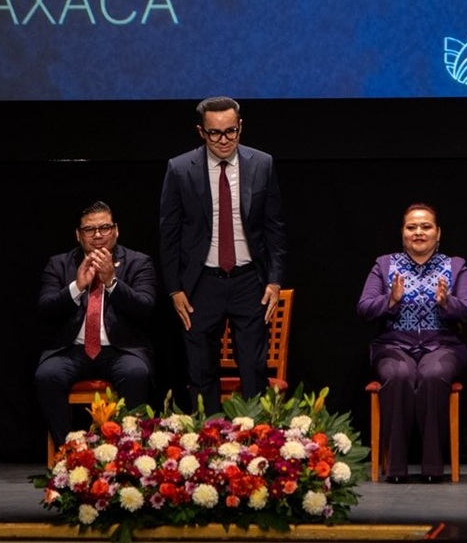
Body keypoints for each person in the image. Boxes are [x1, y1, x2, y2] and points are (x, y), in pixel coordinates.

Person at [158, 95, 286, 409]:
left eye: (231, 131)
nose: (224, 139)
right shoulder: (179, 169)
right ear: (201, 132)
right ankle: (209, 442)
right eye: (215, 133)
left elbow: (275, 229)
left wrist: (274, 281)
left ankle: (255, 444)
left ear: (240, 127)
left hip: (249, 281)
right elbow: (169, 234)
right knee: (201, 368)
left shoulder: (262, 164)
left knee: (253, 369)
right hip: (201, 282)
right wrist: (174, 288)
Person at [356, 203, 467, 484]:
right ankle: (396, 468)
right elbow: (363, 308)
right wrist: (391, 300)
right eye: (412, 227)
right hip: (393, 345)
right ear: (403, 233)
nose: (419, 232)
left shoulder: (455, 266)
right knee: (398, 375)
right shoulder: (384, 264)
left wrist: (449, 302)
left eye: (426, 227)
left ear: (438, 233)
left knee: (433, 375)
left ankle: (433, 466)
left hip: (443, 346)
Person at [36, 201, 158, 446]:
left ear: (116, 230)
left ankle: (128, 452)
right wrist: (77, 287)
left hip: (121, 349)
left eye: (104, 227)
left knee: (136, 373)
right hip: (72, 350)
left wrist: (112, 282)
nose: (98, 235)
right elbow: (45, 310)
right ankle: (67, 453)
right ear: (78, 235)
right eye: (90, 230)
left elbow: (145, 308)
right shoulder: (59, 264)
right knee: (47, 375)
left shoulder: (138, 262)